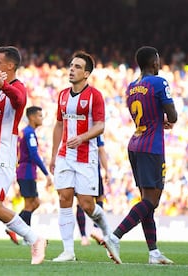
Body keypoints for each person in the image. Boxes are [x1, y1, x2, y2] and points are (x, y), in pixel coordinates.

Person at [103, 46, 178, 265]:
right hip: (151, 147)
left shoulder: (131, 87)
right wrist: (167, 119)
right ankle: (114, 236)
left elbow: (144, 115)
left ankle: (154, 253)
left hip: (135, 144)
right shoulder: (159, 82)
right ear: (153, 63)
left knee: (147, 201)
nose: (159, 63)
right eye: (158, 60)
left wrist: (157, 120)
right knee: (151, 201)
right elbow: (172, 115)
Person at [0, 46, 47, 265]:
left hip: (0, 157)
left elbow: (18, 99)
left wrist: (2, 85)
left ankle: (34, 238)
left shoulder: (17, 88)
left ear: (10, 66)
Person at [49, 51, 112, 263]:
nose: (72, 69)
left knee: (87, 204)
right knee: (64, 199)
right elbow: (58, 125)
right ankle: (68, 251)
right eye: (71, 65)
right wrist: (53, 155)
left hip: (86, 157)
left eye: (77, 67)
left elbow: (101, 126)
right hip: (65, 156)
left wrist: (82, 137)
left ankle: (108, 234)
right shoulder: (63, 95)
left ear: (86, 73)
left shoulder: (95, 95)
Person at [5, 106, 52, 245]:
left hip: (26, 171)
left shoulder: (25, 132)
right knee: (29, 204)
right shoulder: (29, 133)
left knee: (34, 203)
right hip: (26, 172)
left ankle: (17, 229)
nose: (41, 118)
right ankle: (26, 236)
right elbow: (33, 155)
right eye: (39, 116)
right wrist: (46, 173)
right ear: (31, 117)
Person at [76, 135, 109, 246]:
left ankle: (84, 237)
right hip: (93, 167)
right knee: (99, 198)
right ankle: (96, 229)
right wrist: (106, 170)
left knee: (80, 202)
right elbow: (101, 149)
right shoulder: (96, 129)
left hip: (78, 167)